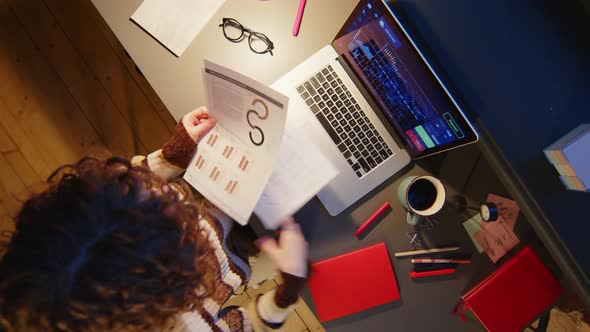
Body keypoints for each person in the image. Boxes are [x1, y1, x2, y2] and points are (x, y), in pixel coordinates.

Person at [0, 107, 309, 332]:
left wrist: (169, 158)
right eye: (169, 220)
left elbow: (133, 178)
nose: (168, 194)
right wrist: (286, 293)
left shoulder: (94, 215)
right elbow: (252, 323)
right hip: (246, 249)